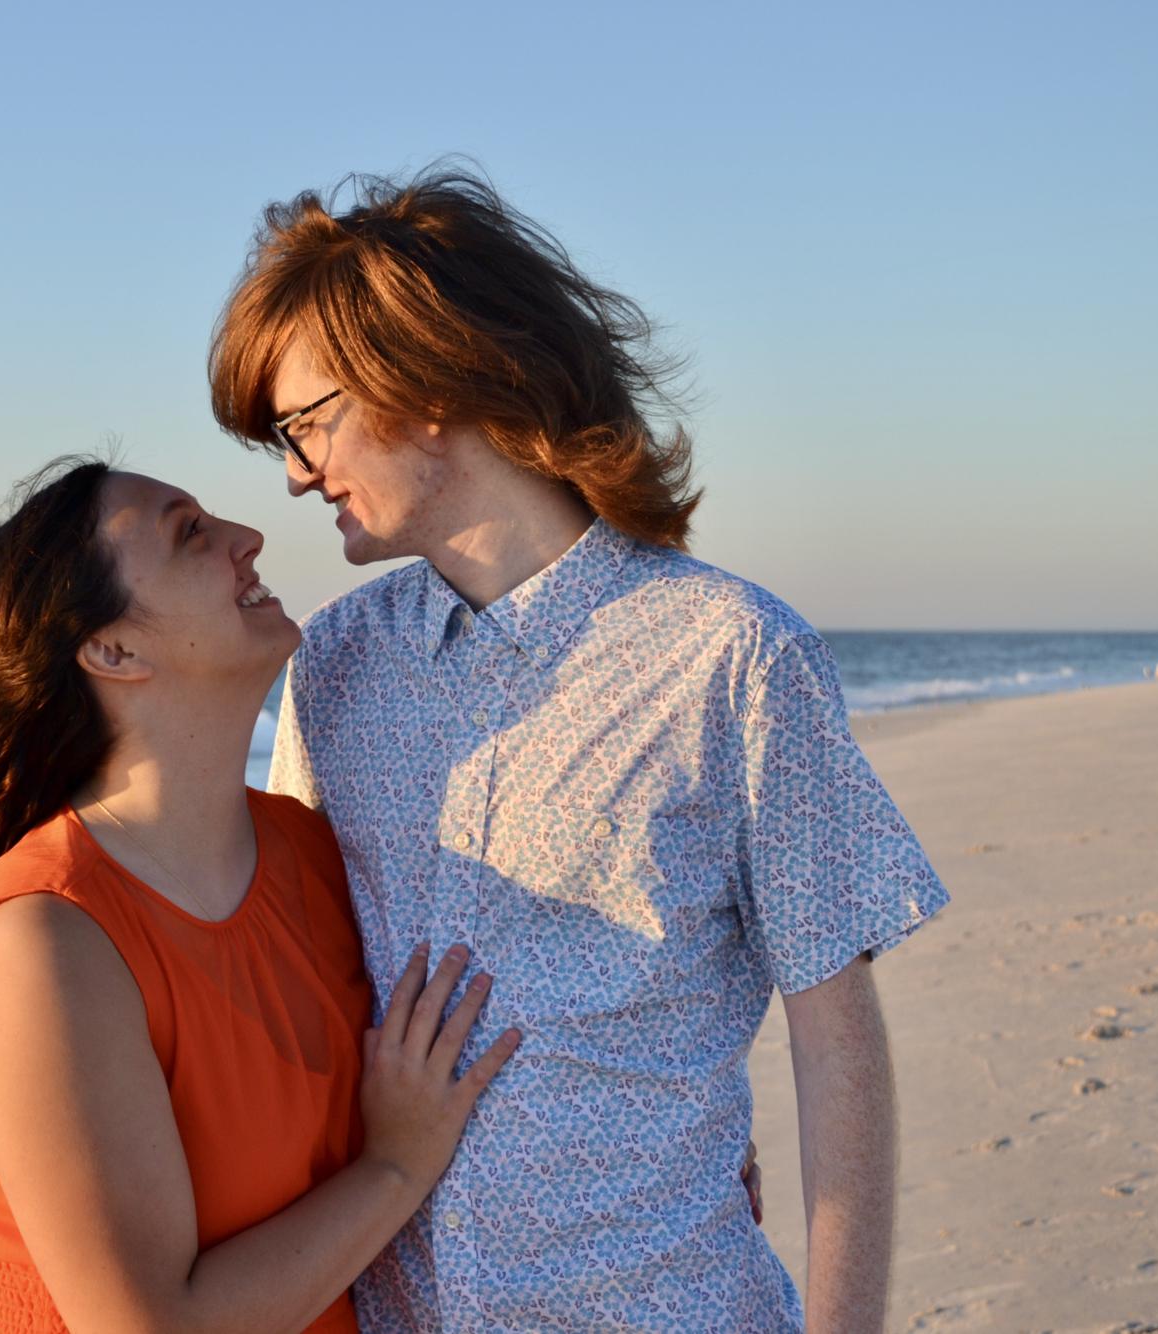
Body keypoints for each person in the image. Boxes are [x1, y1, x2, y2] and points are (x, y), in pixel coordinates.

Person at [209, 169, 951, 1332]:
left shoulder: (731, 653)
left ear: (425, 379)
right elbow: (297, 973)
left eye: (306, 422)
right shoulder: (335, 664)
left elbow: (834, 1037)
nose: (297, 471)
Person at [0, 459, 523, 1333]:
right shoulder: (44, 940)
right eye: (190, 533)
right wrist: (394, 1169)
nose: (250, 538)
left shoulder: (315, 852)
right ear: (111, 650)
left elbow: (489, 1026)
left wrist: (669, 1146)